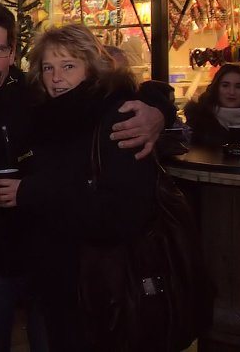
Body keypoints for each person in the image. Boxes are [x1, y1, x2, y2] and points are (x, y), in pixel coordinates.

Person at [0, 0, 167, 352]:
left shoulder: (36, 98)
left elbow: (106, 108)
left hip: (52, 260)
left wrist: (157, 110)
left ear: (12, 53)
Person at [14, 24, 160, 351]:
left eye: (68, 66)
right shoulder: (47, 116)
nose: (55, 78)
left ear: (91, 68)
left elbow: (122, 212)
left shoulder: (117, 118)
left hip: (101, 282)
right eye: (48, 68)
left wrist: (33, 192)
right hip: (57, 277)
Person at [183, 62, 240, 148]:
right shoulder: (197, 120)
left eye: (238, 87)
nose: (231, 92)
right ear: (216, 88)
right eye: (225, 85)